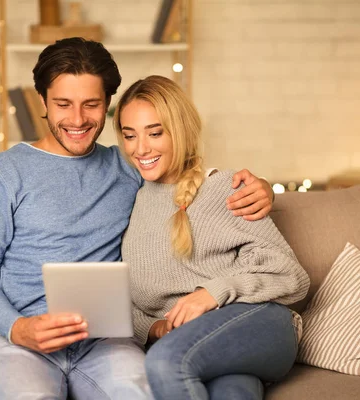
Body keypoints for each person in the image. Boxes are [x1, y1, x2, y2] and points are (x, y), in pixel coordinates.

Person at [0, 37, 275, 400]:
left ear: (108, 104)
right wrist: (18, 329)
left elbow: (189, 177)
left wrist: (264, 188)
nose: (77, 120)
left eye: (91, 105)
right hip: (24, 343)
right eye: (63, 104)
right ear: (42, 101)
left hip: (108, 341)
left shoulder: (131, 164)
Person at [114, 75, 310, 400]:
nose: (140, 148)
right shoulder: (130, 197)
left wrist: (211, 293)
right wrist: (152, 328)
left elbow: (292, 277)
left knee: (166, 362)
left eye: (155, 132)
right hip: (200, 343)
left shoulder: (224, 187)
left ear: (180, 129)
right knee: (233, 392)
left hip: (260, 323)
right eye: (129, 135)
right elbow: (125, 299)